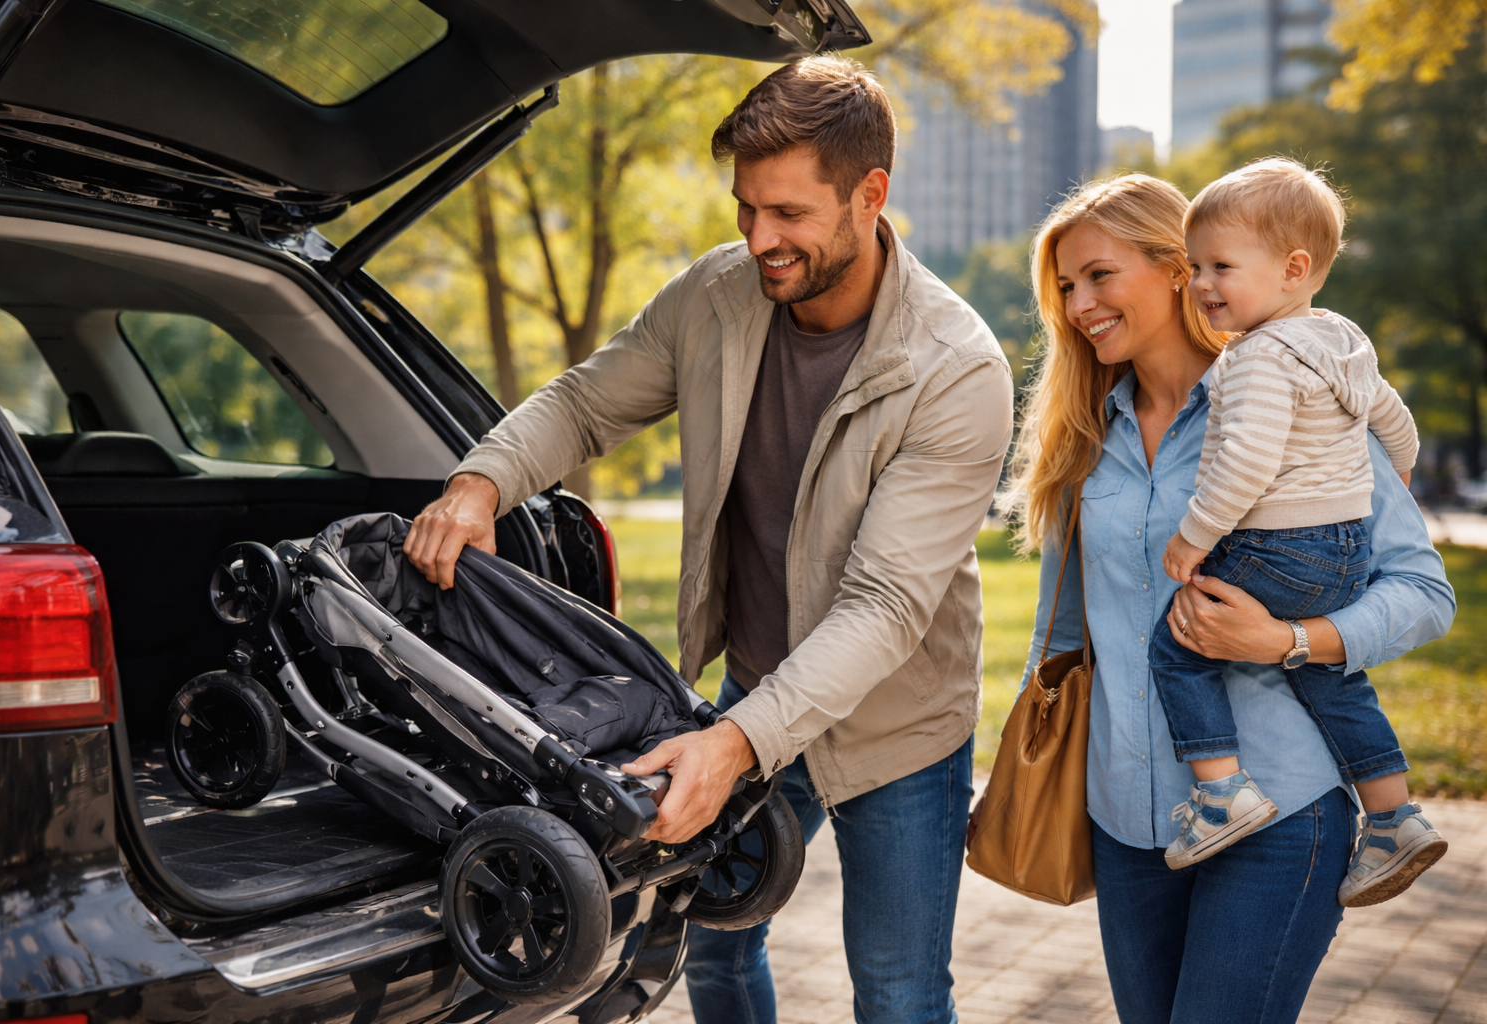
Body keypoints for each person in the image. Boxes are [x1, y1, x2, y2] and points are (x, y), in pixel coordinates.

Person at [404, 55, 1014, 1024]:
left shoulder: (954, 368)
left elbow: (886, 607)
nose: (759, 238)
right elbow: (583, 402)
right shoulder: (718, 297)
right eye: (745, 207)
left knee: (898, 993)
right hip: (757, 689)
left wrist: (733, 743)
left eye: (789, 214)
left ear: (871, 194)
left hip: (898, 725)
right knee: (713, 950)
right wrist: (482, 483)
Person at [1001, 173, 1454, 1023]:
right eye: (1064, 287)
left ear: (1180, 269)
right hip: (1131, 822)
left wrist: (1288, 640)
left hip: (1282, 813)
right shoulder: (1083, 439)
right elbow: (1061, 634)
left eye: (1099, 275)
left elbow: (1426, 594)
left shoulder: (1298, 397)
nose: (1077, 305)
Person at [1147, 158, 1447, 903]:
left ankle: (1222, 795)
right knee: (1334, 677)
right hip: (1342, 551)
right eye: (1195, 266)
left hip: (1277, 545)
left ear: (1293, 268)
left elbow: (1245, 462)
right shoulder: (1340, 340)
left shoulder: (1256, 356)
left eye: (1221, 266)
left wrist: (1192, 535)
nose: (1202, 284)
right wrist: (1396, 474)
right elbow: (1392, 421)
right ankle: (1392, 819)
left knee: (1179, 648)